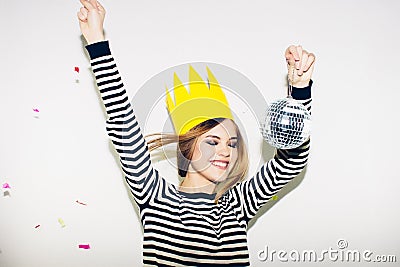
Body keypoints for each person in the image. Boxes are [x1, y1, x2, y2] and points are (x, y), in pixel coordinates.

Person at [77, 0, 315, 266]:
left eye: (232, 143)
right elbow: (123, 122)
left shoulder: (237, 205)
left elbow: (291, 163)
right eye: (213, 141)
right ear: (188, 146)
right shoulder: (156, 198)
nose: (226, 151)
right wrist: (97, 43)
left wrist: (299, 89)